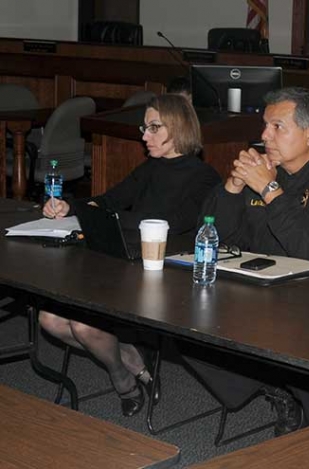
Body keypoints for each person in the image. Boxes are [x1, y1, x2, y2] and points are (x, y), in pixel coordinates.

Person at [182, 87, 309, 435]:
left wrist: (269, 191)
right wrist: (232, 187)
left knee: (291, 332)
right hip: (270, 287)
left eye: (277, 127)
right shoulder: (268, 168)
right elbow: (211, 237)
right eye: (264, 126)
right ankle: (276, 385)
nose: (264, 136)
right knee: (183, 323)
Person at [39, 94, 221, 416]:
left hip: (159, 270)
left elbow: (176, 223)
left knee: (83, 327)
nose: (144, 135)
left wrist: (111, 219)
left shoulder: (203, 176)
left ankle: (122, 379)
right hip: (124, 259)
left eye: (153, 127)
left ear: (176, 130)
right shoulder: (152, 167)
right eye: (145, 127)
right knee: (49, 320)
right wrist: (71, 207)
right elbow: (111, 200)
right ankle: (131, 358)